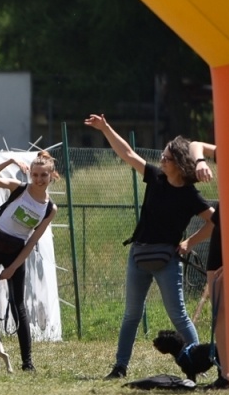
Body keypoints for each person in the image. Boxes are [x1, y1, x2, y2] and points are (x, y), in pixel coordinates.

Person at [85, 115, 215, 380]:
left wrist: (191, 242)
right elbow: (128, 153)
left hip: (167, 260)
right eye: (162, 156)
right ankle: (120, 367)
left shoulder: (190, 194)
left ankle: (198, 365)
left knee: (178, 315)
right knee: (131, 314)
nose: (161, 160)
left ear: (178, 163)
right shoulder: (155, 177)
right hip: (139, 254)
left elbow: (214, 221)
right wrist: (106, 128)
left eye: (166, 158)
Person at [0, 151, 59, 373]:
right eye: (35, 174)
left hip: (16, 251)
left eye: (43, 176)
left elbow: (31, 243)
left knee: (18, 304)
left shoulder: (49, 209)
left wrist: (12, 268)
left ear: (51, 176)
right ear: (30, 173)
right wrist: (10, 161)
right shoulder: (19, 188)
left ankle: (27, 362)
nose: (38, 180)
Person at [155, 140, 227, 386]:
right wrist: (201, 161)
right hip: (226, 226)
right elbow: (195, 144)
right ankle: (224, 374)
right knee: (220, 311)